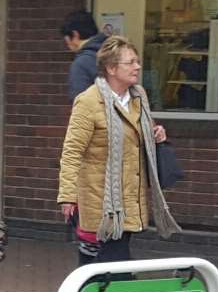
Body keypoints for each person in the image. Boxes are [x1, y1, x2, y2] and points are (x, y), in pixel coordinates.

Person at [58, 36, 180, 264]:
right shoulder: (88, 102)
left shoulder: (138, 96)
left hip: (129, 197)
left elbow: (138, 132)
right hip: (101, 200)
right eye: (131, 62)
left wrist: (156, 134)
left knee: (107, 263)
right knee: (110, 265)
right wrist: (67, 196)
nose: (137, 67)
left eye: (137, 61)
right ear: (111, 68)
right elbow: (72, 151)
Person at [62, 10, 105, 102]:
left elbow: (80, 104)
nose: (67, 44)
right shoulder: (115, 52)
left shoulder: (81, 64)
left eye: (66, 39)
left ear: (75, 34)